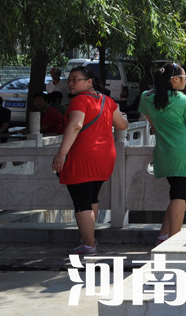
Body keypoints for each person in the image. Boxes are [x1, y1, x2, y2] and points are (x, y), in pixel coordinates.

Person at [52, 65, 128, 255]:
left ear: (89, 82)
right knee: (91, 198)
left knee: (81, 203)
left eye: (75, 79)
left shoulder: (79, 101)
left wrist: (61, 153)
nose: (71, 83)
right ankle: (87, 238)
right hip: (105, 156)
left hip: (83, 156)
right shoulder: (107, 100)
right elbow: (122, 125)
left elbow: (76, 125)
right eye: (69, 79)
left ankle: (88, 244)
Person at [138, 62, 186, 243]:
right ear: (175, 79)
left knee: (184, 193)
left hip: (164, 151)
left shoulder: (146, 97)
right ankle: (173, 241)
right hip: (185, 152)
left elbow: (153, 125)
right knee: (179, 195)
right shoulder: (185, 101)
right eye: (184, 77)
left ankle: (163, 234)